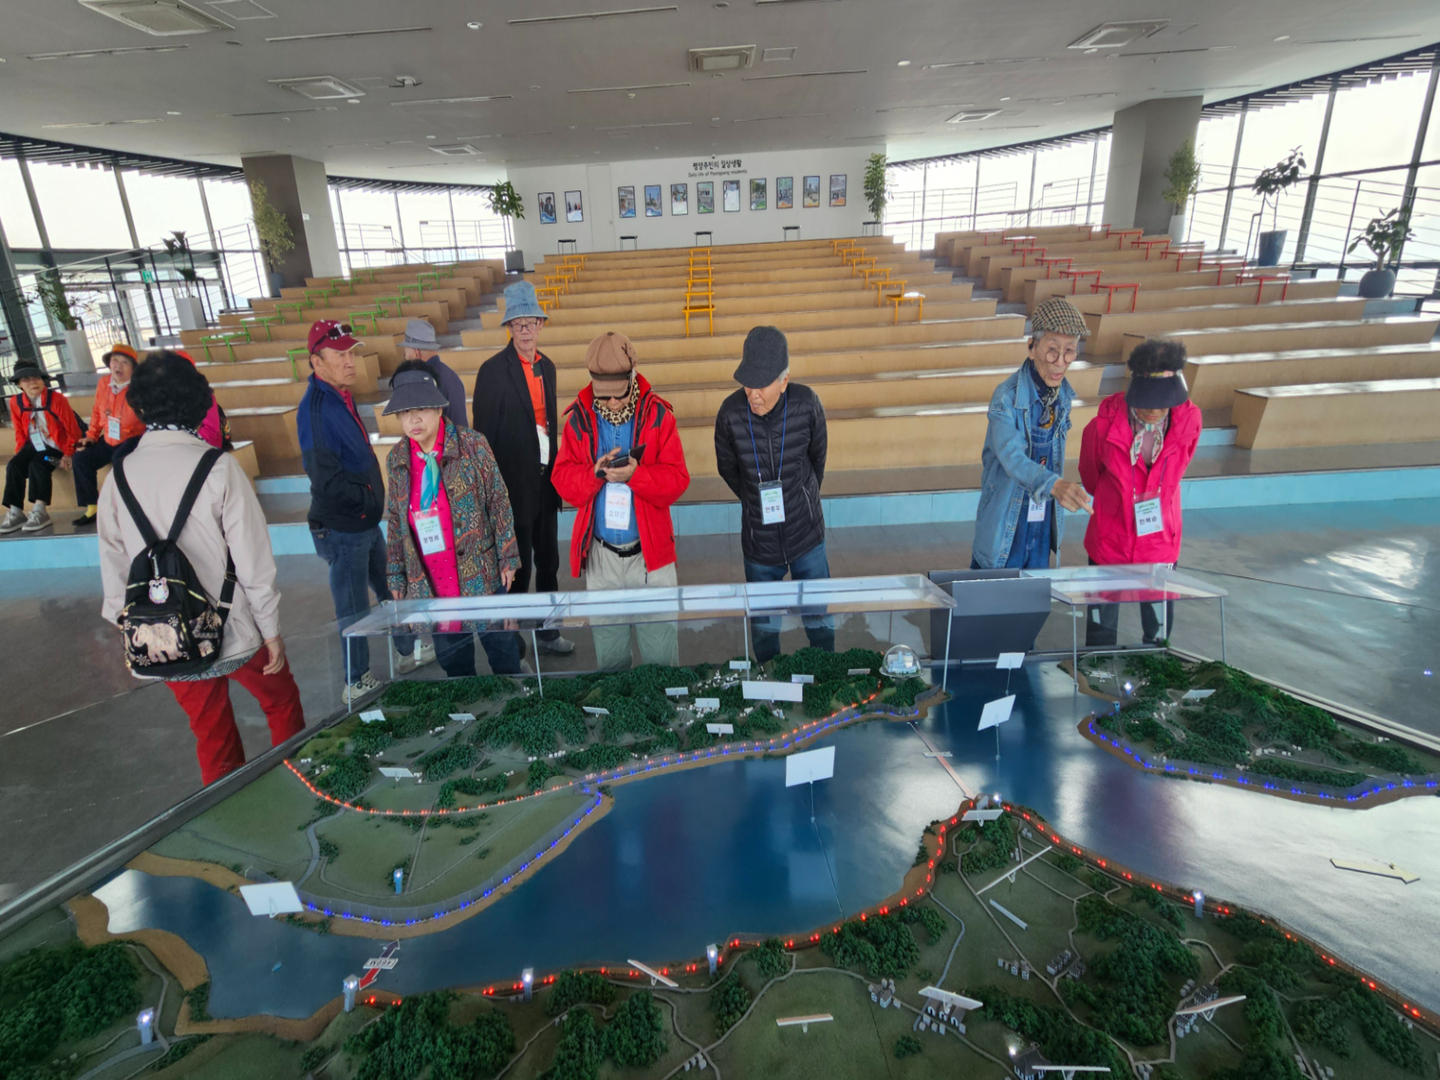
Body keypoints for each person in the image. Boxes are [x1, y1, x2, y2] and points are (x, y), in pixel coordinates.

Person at [97, 351, 304, 785]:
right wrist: (270, 630)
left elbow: (113, 561)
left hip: (165, 633)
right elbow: (252, 560)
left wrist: (126, 623)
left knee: (210, 731)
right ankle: (300, 786)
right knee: (281, 702)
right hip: (233, 626)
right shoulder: (219, 467)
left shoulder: (118, 477)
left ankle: (225, 810)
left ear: (139, 404)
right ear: (198, 400)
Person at [296, 319, 419, 703]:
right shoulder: (317, 410)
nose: (350, 361)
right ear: (317, 362)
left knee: (388, 585)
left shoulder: (341, 397)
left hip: (364, 521)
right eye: (340, 355)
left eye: (352, 353)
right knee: (353, 607)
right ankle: (356, 679)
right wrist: (366, 499)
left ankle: (407, 649)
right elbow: (325, 479)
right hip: (343, 526)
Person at [552, 332, 690, 669]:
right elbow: (562, 481)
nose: (613, 402)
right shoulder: (579, 419)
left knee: (661, 662)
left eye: (620, 393)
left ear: (632, 377)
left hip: (650, 558)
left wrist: (636, 476)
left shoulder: (658, 415)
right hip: (602, 560)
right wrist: (593, 474)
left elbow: (677, 480)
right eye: (604, 395)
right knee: (611, 663)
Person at [383, 363, 524, 677]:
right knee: (455, 664)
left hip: (480, 574)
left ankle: (513, 697)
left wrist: (508, 556)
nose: (413, 419)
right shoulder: (397, 460)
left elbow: (498, 501)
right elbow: (395, 521)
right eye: (405, 412)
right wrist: (396, 576)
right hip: (432, 584)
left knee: (503, 652)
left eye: (421, 409)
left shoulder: (472, 445)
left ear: (438, 407)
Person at [713, 326, 832, 663]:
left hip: (806, 534)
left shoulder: (806, 404)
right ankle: (769, 680)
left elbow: (817, 459)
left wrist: (802, 497)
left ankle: (824, 672)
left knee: (819, 621)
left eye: (762, 384)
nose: (753, 394)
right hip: (759, 541)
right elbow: (728, 470)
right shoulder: (730, 414)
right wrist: (754, 499)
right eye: (747, 383)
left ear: (784, 381)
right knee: (764, 628)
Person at [472, 281, 573, 656]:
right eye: (518, 324)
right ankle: (511, 645)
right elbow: (483, 440)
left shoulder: (548, 367)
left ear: (541, 325)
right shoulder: (492, 371)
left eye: (530, 322)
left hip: (546, 484)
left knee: (549, 563)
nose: (525, 329)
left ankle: (548, 632)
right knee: (517, 569)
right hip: (512, 490)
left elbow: (547, 426)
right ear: (509, 328)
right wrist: (491, 496)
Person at [1078, 338, 1201, 646]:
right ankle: (1098, 665)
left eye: (1163, 401)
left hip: (1160, 542)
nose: (1153, 410)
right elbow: (1091, 478)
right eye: (1146, 400)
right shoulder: (1101, 428)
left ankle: (1154, 661)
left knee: (1158, 632)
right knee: (1101, 628)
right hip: (1110, 540)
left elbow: (1179, 467)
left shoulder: (1189, 423)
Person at [971, 296, 1094, 570]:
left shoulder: (1062, 398)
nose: (1060, 362)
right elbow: (1013, 458)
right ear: (1031, 347)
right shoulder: (1006, 398)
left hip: (1040, 519)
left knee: (1033, 592)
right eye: (1052, 350)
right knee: (992, 591)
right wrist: (1054, 485)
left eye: (1069, 352)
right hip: (1005, 520)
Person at [71, 343, 144, 529]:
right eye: (114, 360)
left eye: (124, 362)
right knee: (80, 459)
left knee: (119, 460)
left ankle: (124, 508)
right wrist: (91, 435)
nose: (118, 365)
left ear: (133, 368)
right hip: (109, 437)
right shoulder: (104, 383)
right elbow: (97, 410)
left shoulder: (140, 386)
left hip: (133, 437)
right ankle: (92, 507)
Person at [3, 363, 81, 535]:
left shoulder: (57, 399)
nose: (33, 382)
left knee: (38, 465)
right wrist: (20, 454)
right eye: (26, 379)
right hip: (33, 445)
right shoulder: (16, 402)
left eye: (36, 378)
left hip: (56, 448)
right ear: (19, 385)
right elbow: (19, 432)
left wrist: (68, 453)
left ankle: (40, 511)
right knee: (14, 466)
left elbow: (73, 431)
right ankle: (15, 512)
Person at [400, 318, 467, 428]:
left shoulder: (425, 381)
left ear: (416, 352)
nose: (406, 357)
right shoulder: (450, 375)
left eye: (406, 352)